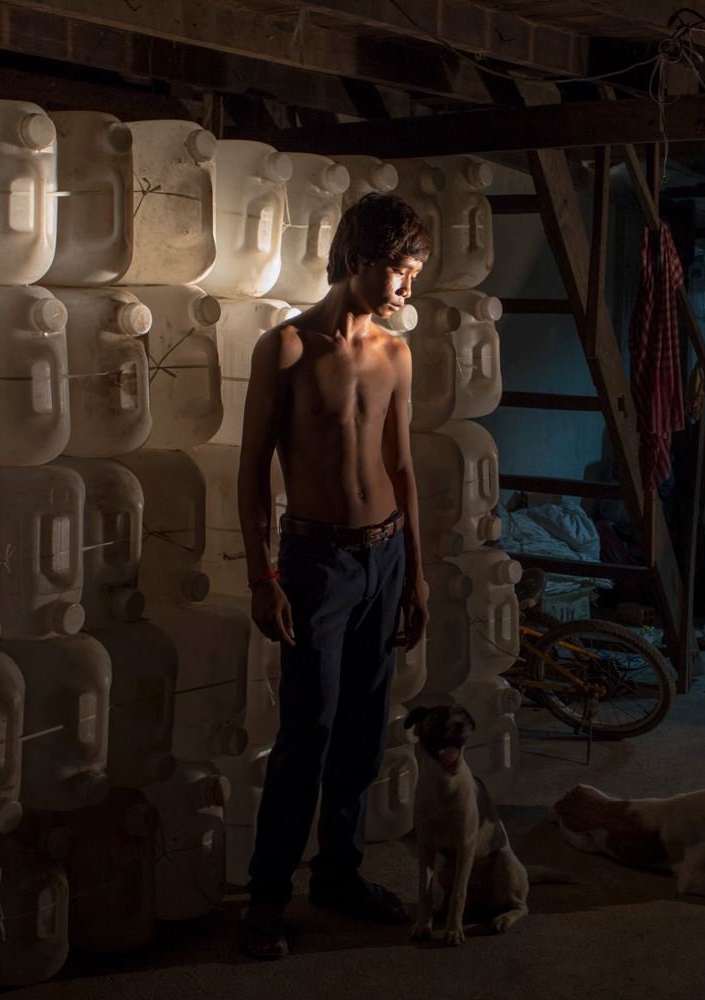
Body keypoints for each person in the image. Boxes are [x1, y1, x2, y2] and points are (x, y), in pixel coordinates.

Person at [235, 193, 431, 959]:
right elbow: (252, 470)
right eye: (401, 273)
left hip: (382, 557)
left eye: (413, 274)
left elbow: (404, 467)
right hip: (315, 562)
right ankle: (266, 899)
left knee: (361, 730)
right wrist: (262, 575)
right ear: (358, 262)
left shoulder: (395, 353)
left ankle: (339, 874)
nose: (406, 290)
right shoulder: (285, 348)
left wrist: (414, 575)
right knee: (305, 734)